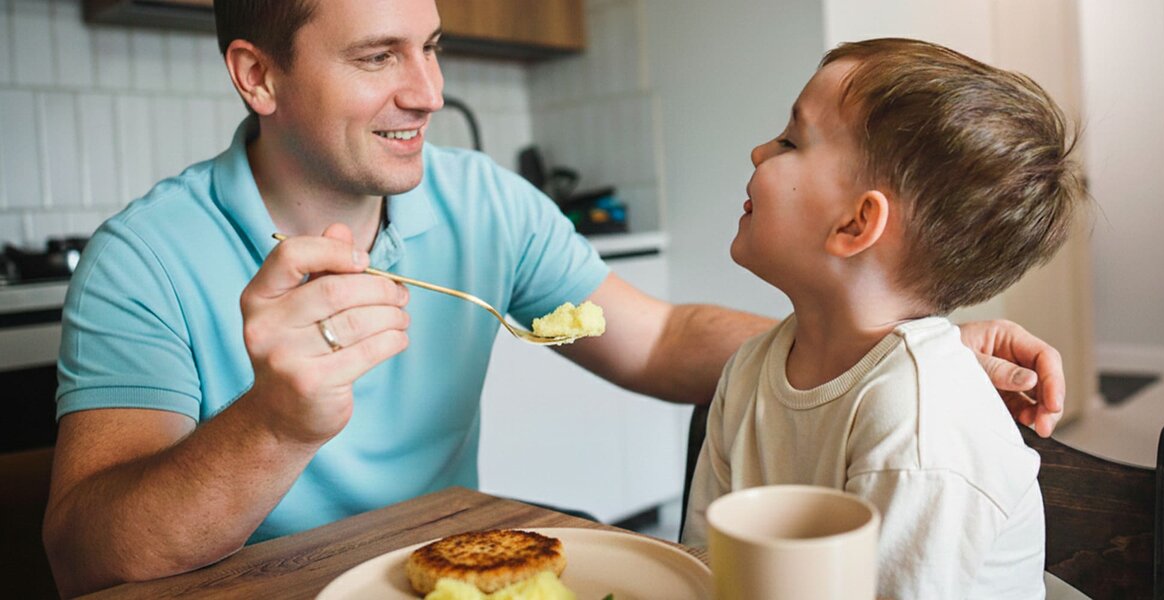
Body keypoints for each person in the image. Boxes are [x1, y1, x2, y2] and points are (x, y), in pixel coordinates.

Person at [41, 1, 1065, 595]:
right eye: (376, 56)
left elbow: (659, 336)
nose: (430, 92)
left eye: (432, 45)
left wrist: (888, 345)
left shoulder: (483, 201)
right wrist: (275, 423)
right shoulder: (144, 257)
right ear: (258, 76)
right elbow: (90, 557)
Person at [681, 38, 1085, 598]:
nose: (758, 151)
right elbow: (701, 570)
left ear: (855, 224)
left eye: (791, 140)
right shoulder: (751, 368)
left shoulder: (920, 422)